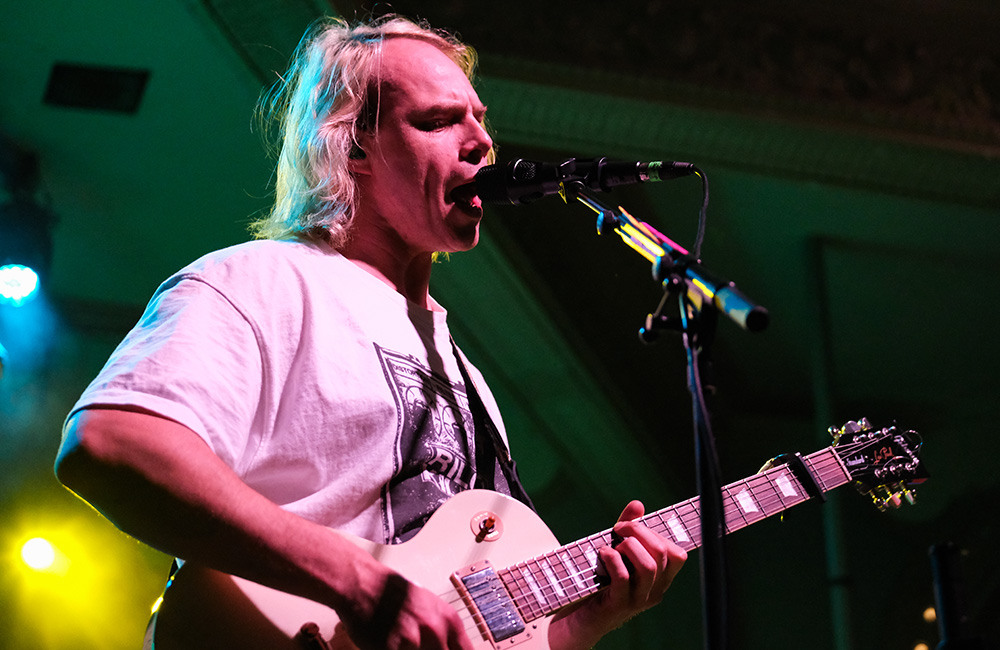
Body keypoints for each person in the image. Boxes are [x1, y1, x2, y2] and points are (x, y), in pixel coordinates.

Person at [54, 15, 686, 650]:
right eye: (439, 120)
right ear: (353, 146)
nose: (481, 142)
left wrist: (587, 621)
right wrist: (356, 579)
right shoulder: (265, 281)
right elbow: (111, 443)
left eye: (480, 118)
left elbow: (474, 624)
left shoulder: (463, 373)